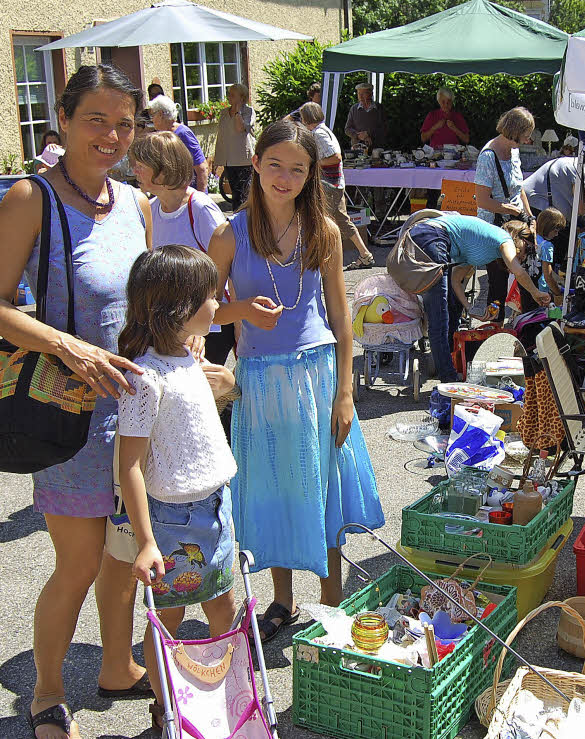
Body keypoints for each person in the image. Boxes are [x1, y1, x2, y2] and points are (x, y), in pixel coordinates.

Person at [0, 63, 153, 739]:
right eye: (96, 119)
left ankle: (117, 663)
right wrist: (71, 347)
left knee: (125, 551)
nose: (112, 135)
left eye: (124, 123)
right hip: (67, 411)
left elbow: (145, 304)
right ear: (63, 120)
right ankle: (47, 693)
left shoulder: (136, 203)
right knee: (80, 559)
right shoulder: (32, 197)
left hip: (132, 410)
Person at [206, 119, 383, 642]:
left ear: (311, 176)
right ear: (255, 164)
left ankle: (331, 604)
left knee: (321, 486)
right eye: (276, 165)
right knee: (274, 487)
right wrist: (239, 309)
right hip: (259, 382)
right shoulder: (228, 233)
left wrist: (346, 391)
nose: (285, 178)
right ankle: (282, 600)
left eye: (298, 169)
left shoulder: (323, 231)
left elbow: (341, 317)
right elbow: (202, 309)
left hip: (317, 378)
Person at [114, 245, 238, 733]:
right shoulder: (145, 378)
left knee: (223, 607)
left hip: (214, 506)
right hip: (173, 519)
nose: (218, 302)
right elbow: (130, 467)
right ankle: (168, 708)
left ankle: (224, 694)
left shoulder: (187, 356)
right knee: (167, 616)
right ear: (179, 307)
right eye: (211, 296)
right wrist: (145, 541)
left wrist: (222, 379)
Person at [130, 131, 235, 368]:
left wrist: (209, 326)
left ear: (163, 167)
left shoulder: (199, 208)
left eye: (141, 165)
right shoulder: (152, 208)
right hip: (175, 322)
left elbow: (228, 268)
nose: (135, 170)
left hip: (208, 323)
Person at [405, 212, 551, 381]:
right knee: (440, 317)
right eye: (527, 249)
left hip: (424, 234)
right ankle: (449, 379)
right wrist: (536, 293)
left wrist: (470, 308)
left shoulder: (482, 245)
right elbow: (519, 271)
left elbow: (456, 280)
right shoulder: (504, 239)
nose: (524, 256)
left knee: (449, 311)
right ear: (519, 239)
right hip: (432, 235)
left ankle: (447, 366)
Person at [298, 102, 375, 270]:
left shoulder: (319, 134)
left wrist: (314, 163)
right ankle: (365, 254)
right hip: (335, 183)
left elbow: (336, 157)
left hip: (328, 185)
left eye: (303, 118)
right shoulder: (323, 131)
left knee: (316, 220)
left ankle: (318, 258)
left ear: (307, 118)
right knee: (342, 220)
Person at [475, 106, 535, 226]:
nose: (528, 141)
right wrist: (512, 211)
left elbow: (518, 188)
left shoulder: (514, 151)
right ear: (515, 133)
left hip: (515, 223)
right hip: (493, 225)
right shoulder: (488, 157)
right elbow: (482, 201)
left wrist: (530, 218)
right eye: (526, 136)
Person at [147, 95, 208, 193]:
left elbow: (201, 167)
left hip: (190, 194)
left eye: (153, 115)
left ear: (161, 114)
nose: (152, 119)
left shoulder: (183, 134)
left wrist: (201, 197)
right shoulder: (162, 135)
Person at [212, 83, 255, 212]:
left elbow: (240, 128)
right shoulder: (224, 113)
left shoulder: (249, 111)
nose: (229, 97)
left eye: (232, 95)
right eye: (228, 94)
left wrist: (237, 112)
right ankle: (238, 219)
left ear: (241, 98)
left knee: (243, 194)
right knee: (235, 193)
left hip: (243, 159)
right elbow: (222, 136)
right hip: (229, 159)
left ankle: (245, 220)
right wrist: (218, 158)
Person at [523, 155, 578, 222]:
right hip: (535, 204)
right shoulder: (577, 169)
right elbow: (581, 208)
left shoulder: (572, 164)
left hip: (535, 200)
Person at [535, 207, 566, 303]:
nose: (556, 235)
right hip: (542, 290)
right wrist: (558, 293)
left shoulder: (533, 237)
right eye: (555, 231)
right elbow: (548, 276)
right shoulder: (547, 246)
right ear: (548, 228)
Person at [344, 82, 386, 149]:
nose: (360, 96)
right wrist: (358, 135)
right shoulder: (354, 109)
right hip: (358, 147)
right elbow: (347, 129)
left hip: (376, 148)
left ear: (371, 94)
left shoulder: (379, 108)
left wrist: (368, 134)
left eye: (363, 93)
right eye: (358, 93)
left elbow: (384, 128)